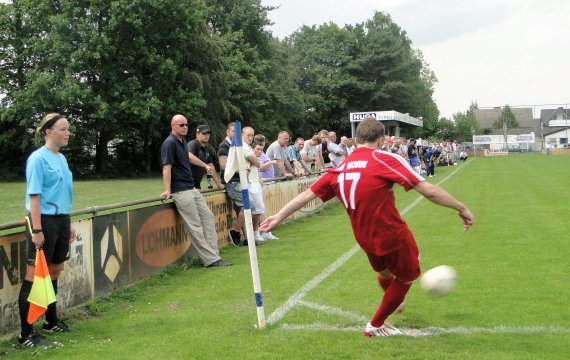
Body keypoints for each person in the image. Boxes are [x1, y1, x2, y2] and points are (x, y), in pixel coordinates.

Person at [259, 117, 474, 337]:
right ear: (380, 140)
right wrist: (461, 207)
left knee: (385, 272)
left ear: (358, 139)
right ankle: (376, 324)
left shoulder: (341, 167)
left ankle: (393, 300)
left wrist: (278, 216)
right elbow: (430, 191)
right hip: (391, 233)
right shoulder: (383, 158)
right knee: (408, 276)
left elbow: (307, 195)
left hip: (363, 236)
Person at [17, 113, 76, 347]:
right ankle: (25, 334)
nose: (67, 132)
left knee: (54, 272)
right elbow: (34, 197)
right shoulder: (37, 159)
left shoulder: (61, 158)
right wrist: (38, 229)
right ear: (48, 132)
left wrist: (68, 223)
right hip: (43, 222)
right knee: (34, 276)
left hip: (61, 220)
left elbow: (64, 194)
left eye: (68, 128)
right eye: (63, 129)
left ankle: (51, 322)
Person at [159, 114, 232, 268]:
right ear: (173, 126)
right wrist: (167, 189)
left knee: (208, 216)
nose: (185, 127)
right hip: (180, 190)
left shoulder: (182, 141)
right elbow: (167, 167)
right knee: (195, 226)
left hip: (191, 187)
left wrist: (204, 165)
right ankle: (210, 260)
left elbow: (188, 156)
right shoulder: (169, 143)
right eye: (181, 125)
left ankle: (213, 254)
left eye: (186, 125)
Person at [223, 126, 263, 246]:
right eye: (248, 135)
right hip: (234, 183)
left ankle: (248, 237)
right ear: (242, 135)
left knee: (249, 208)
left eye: (252, 135)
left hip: (241, 182)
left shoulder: (246, 147)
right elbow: (258, 163)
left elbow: (256, 163)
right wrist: (252, 162)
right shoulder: (243, 147)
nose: (250, 137)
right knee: (249, 206)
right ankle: (236, 232)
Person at [252, 134, 279, 241]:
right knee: (259, 209)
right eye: (258, 147)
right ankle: (261, 231)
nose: (260, 150)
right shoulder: (252, 156)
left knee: (260, 209)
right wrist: (271, 162)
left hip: (258, 184)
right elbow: (259, 166)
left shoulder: (259, 155)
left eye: (261, 147)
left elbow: (256, 168)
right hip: (254, 185)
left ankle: (263, 231)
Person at [187, 124, 224, 190]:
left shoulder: (207, 149)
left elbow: (210, 166)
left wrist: (218, 183)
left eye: (208, 133)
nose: (206, 136)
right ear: (197, 134)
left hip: (196, 186)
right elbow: (188, 156)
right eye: (204, 133)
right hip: (186, 186)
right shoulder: (193, 144)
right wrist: (205, 165)